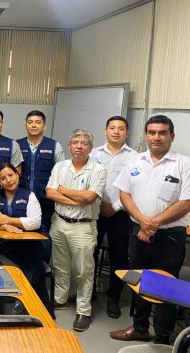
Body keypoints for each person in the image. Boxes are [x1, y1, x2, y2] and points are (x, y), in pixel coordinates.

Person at [110, 115, 190, 344]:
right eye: (152, 132)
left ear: (172, 136)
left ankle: (164, 337)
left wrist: (152, 224)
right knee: (140, 281)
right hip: (138, 230)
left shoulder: (183, 164)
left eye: (162, 132)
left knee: (166, 285)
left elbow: (186, 202)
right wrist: (142, 221)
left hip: (169, 236)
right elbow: (123, 193)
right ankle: (140, 327)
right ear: (145, 135)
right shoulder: (136, 161)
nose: (156, 137)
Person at [46, 129, 106, 332]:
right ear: (69, 146)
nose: (79, 146)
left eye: (84, 143)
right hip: (60, 223)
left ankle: (83, 311)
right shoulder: (60, 166)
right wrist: (76, 197)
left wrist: (63, 190)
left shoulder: (97, 169)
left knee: (84, 271)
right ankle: (60, 299)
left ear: (90, 147)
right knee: (60, 266)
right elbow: (50, 193)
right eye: (75, 142)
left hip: (83, 226)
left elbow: (89, 198)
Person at [0, 162, 52, 315]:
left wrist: (8, 220)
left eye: (11, 175)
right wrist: (6, 227)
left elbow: (35, 222)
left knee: (32, 257)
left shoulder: (29, 195)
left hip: (35, 241)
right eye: (3, 178)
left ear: (17, 175)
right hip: (8, 242)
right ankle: (26, 302)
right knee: (34, 266)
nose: (8, 180)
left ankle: (21, 300)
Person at [90, 116, 137, 318]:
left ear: (126, 132)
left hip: (121, 214)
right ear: (105, 131)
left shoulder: (135, 157)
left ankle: (113, 298)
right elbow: (88, 179)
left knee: (119, 257)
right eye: (112, 128)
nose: (116, 131)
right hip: (95, 210)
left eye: (121, 128)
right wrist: (99, 204)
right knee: (90, 253)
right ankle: (88, 293)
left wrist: (116, 206)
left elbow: (135, 187)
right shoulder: (94, 153)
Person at [16, 110, 64, 261]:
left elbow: (61, 174)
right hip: (22, 200)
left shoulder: (54, 146)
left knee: (43, 236)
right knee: (21, 234)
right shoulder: (18, 145)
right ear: (26, 125)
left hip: (45, 201)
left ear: (44, 126)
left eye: (38, 122)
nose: (34, 125)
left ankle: (41, 266)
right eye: (30, 122)